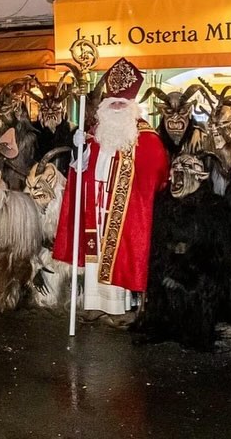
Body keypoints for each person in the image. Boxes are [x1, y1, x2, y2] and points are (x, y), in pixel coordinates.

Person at [53, 57, 169, 323]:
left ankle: (118, 308)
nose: (116, 108)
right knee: (95, 254)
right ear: (104, 108)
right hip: (95, 203)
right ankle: (94, 304)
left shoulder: (146, 138)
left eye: (121, 104)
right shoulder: (97, 133)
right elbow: (81, 171)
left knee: (121, 254)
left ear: (131, 108)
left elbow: (157, 172)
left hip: (125, 208)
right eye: (112, 104)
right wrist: (80, 150)